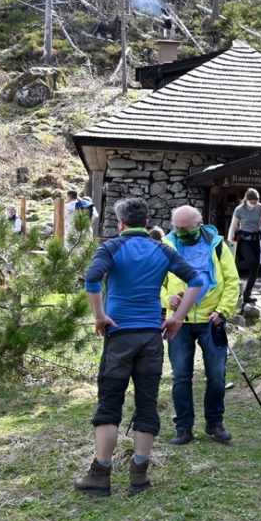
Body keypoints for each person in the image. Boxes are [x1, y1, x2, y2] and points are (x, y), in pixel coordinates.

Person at [74, 198, 203, 496]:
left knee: (109, 403)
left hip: (119, 335)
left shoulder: (111, 248)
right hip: (151, 338)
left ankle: (100, 475)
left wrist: (100, 316)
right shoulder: (162, 249)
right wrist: (177, 319)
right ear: (145, 223)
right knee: (147, 403)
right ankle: (139, 476)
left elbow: (92, 279)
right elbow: (196, 280)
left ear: (120, 223)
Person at [161, 206, 240, 446]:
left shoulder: (217, 245)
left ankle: (215, 423)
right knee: (181, 376)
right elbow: (157, 281)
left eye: (185, 228)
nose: (181, 232)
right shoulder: (166, 245)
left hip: (211, 320)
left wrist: (223, 311)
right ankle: (183, 428)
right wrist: (168, 299)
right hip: (179, 321)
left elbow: (232, 281)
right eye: (177, 228)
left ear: (199, 224)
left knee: (216, 375)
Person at [227, 188, 261, 309]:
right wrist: (230, 241)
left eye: (256, 201)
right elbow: (233, 226)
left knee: (255, 267)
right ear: (247, 200)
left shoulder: (259, 208)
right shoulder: (239, 209)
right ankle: (234, 269)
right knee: (251, 261)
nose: (254, 204)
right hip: (244, 240)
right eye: (252, 202)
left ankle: (247, 294)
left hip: (255, 240)